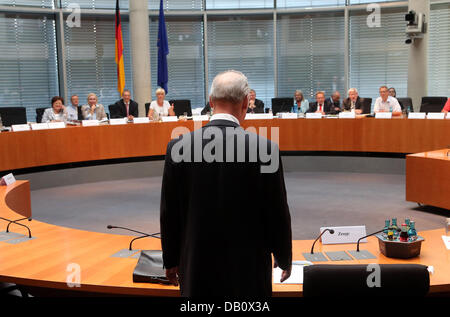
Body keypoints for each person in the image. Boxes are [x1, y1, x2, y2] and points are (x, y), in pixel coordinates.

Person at [160, 70, 292, 297]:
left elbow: (169, 212)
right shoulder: (265, 149)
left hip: (196, 267)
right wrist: (283, 257)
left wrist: (170, 260)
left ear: (211, 101)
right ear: (245, 102)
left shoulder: (178, 147)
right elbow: (276, 211)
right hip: (248, 272)